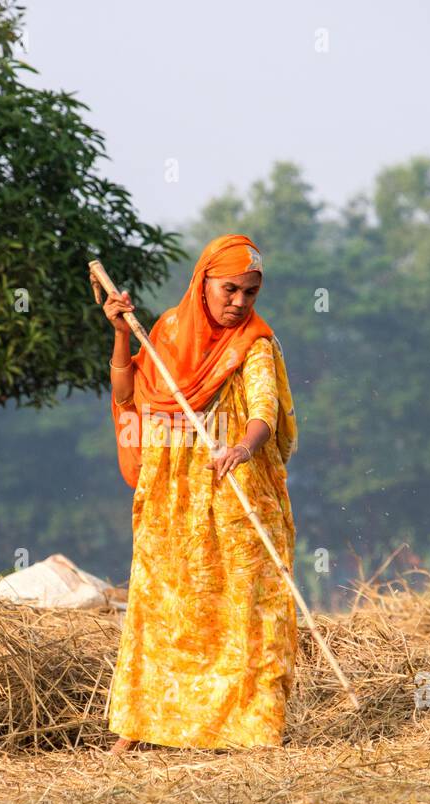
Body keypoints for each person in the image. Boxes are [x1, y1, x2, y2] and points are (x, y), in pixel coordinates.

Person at [101, 233, 299, 754]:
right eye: (229, 289)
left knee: (248, 608)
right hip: (171, 500)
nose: (239, 303)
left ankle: (252, 728)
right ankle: (141, 727)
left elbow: (265, 410)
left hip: (236, 494)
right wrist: (122, 333)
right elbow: (127, 397)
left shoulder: (255, 344)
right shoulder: (165, 332)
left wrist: (243, 447)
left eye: (250, 293)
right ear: (203, 284)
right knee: (164, 606)